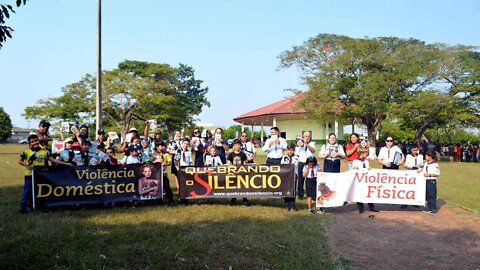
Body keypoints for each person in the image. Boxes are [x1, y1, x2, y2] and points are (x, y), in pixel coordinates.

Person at [18, 134, 73, 214]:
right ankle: (23, 208)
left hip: (41, 175)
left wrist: (65, 164)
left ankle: (43, 206)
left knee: (42, 191)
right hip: (30, 175)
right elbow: (20, 161)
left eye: (36, 141)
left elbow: (53, 160)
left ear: (38, 141)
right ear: (30, 144)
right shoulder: (26, 152)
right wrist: (28, 166)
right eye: (32, 142)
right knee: (27, 191)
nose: (34, 143)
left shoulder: (44, 152)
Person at [352, 148, 379, 213]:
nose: (366, 155)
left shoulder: (366, 161)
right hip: (359, 180)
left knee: (368, 193)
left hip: (366, 180)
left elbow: (367, 168)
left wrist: (369, 168)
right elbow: (353, 169)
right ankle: (361, 208)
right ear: (362, 153)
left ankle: (371, 207)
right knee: (359, 193)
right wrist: (355, 168)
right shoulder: (355, 161)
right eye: (365, 153)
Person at [227, 139, 251, 207]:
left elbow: (244, 163)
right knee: (233, 186)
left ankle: (245, 200)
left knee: (243, 186)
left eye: (238, 145)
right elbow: (229, 163)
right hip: (234, 173)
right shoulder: (231, 154)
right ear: (233, 146)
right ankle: (233, 200)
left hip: (241, 173)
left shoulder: (243, 154)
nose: (237, 146)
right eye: (235, 145)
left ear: (240, 146)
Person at [152, 141, 175, 206]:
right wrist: (156, 161)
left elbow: (170, 163)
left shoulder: (166, 154)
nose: (163, 147)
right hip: (156, 174)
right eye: (161, 146)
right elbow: (150, 162)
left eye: (163, 146)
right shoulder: (154, 154)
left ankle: (171, 200)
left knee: (167, 187)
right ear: (157, 147)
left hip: (164, 173)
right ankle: (159, 201)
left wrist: (165, 163)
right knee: (157, 187)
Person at [401, 145, 424, 209]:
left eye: (416, 150)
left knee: (416, 188)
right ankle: (405, 203)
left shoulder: (420, 156)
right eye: (413, 150)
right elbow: (405, 165)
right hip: (410, 172)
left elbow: (422, 165)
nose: (415, 151)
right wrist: (410, 167)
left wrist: (419, 168)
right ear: (411, 150)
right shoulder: (408, 156)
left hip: (417, 173)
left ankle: (415, 202)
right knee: (408, 188)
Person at [296, 131, 316, 200]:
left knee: (310, 179)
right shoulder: (300, 144)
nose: (307, 137)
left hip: (309, 163)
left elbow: (313, 150)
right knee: (300, 179)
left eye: (308, 136)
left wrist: (307, 144)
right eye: (305, 136)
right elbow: (296, 153)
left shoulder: (312, 143)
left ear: (310, 137)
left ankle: (311, 194)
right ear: (303, 137)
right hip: (301, 163)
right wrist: (299, 144)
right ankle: (300, 194)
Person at [420, 151, 440, 215]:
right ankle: (428, 207)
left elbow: (437, 174)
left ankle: (433, 208)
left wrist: (429, 175)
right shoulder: (426, 164)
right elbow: (423, 171)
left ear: (430, 157)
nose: (425, 157)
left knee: (432, 195)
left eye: (426, 156)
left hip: (431, 180)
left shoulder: (435, 164)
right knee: (427, 194)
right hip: (425, 180)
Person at [174, 138, 193, 205]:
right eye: (184, 144)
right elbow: (176, 162)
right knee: (181, 185)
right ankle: (181, 199)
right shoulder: (178, 151)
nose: (185, 145)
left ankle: (186, 199)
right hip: (180, 168)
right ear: (182, 144)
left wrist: (190, 169)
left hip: (187, 168)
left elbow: (190, 162)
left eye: (187, 144)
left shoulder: (189, 152)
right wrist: (178, 169)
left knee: (187, 185)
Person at [281, 143, 299, 211]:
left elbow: (294, 166)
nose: (290, 152)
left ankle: (292, 205)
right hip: (286, 176)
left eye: (291, 150)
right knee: (286, 190)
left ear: (294, 150)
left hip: (293, 176)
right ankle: (286, 205)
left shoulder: (296, 158)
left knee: (292, 191)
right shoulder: (284, 157)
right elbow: (282, 166)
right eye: (288, 150)